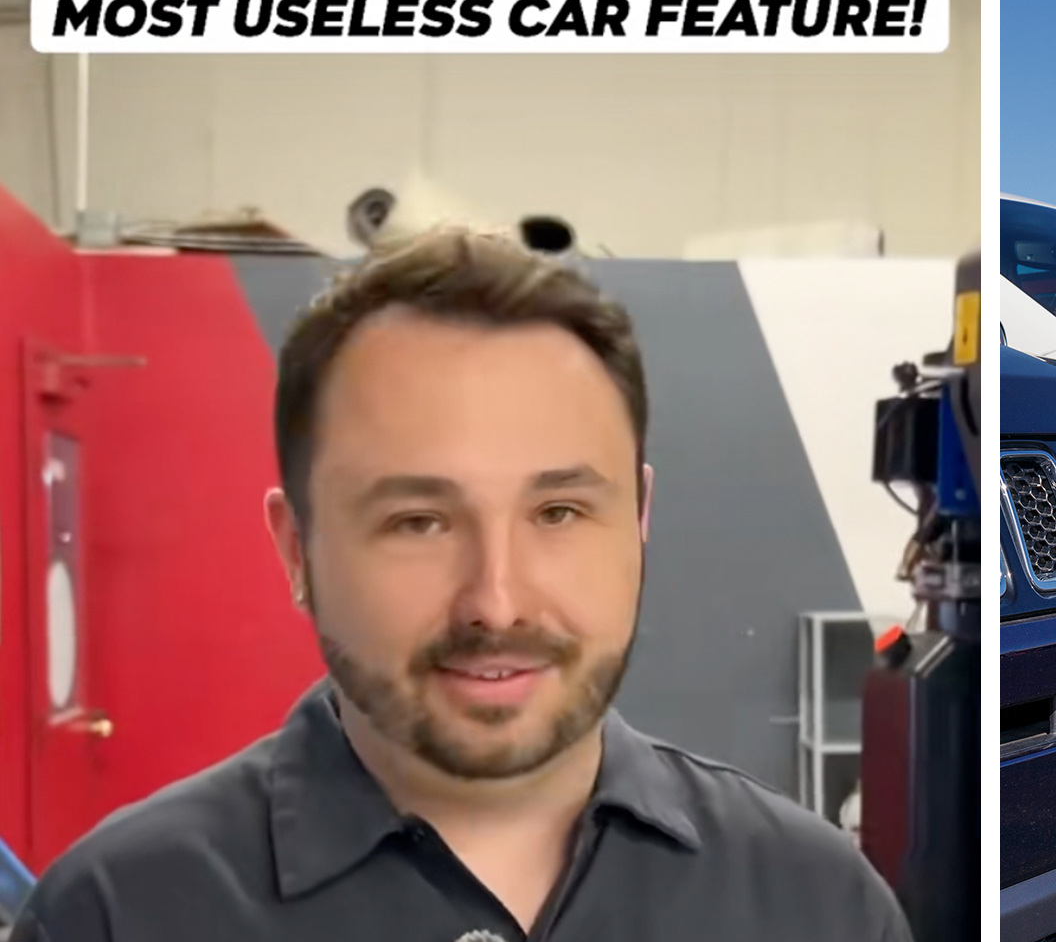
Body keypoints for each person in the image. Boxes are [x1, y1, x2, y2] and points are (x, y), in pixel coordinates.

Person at [12, 229, 913, 942]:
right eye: (419, 521)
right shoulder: (116, 915)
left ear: (638, 519)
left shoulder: (819, 907)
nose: (498, 601)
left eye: (558, 511)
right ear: (298, 549)